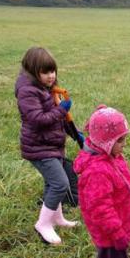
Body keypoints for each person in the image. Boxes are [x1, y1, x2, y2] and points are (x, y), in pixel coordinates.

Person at [74, 105, 130, 258]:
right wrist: (116, 232)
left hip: (118, 223)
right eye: (119, 140)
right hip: (111, 230)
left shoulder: (110, 158)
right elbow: (100, 209)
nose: (124, 144)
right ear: (106, 142)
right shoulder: (97, 172)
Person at [15, 46, 78, 245]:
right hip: (39, 149)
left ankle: (57, 218)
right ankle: (43, 224)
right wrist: (60, 111)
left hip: (52, 146)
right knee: (60, 184)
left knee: (52, 184)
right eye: (46, 72)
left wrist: (74, 132)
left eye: (53, 71)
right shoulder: (28, 92)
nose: (51, 76)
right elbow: (38, 119)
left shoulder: (45, 88)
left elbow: (55, 119)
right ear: (34, 72)